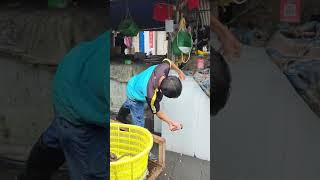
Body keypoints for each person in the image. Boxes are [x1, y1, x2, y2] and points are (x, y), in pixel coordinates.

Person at [18, 31, 110, 180]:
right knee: (92, 171)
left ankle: (31, 175)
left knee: (61, 134)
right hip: (76, 93)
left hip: (77, 73)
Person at [117, 59, 184, 131]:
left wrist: (179, 71)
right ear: (161, 91)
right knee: (139, 121)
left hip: (135, 81)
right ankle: (138, 137)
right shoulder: (151, 95)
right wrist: (170, 122)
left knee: (129, 103)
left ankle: (120, 116)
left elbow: (169, 61)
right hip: (135, 94)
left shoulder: (164, 67)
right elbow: (157, 112)